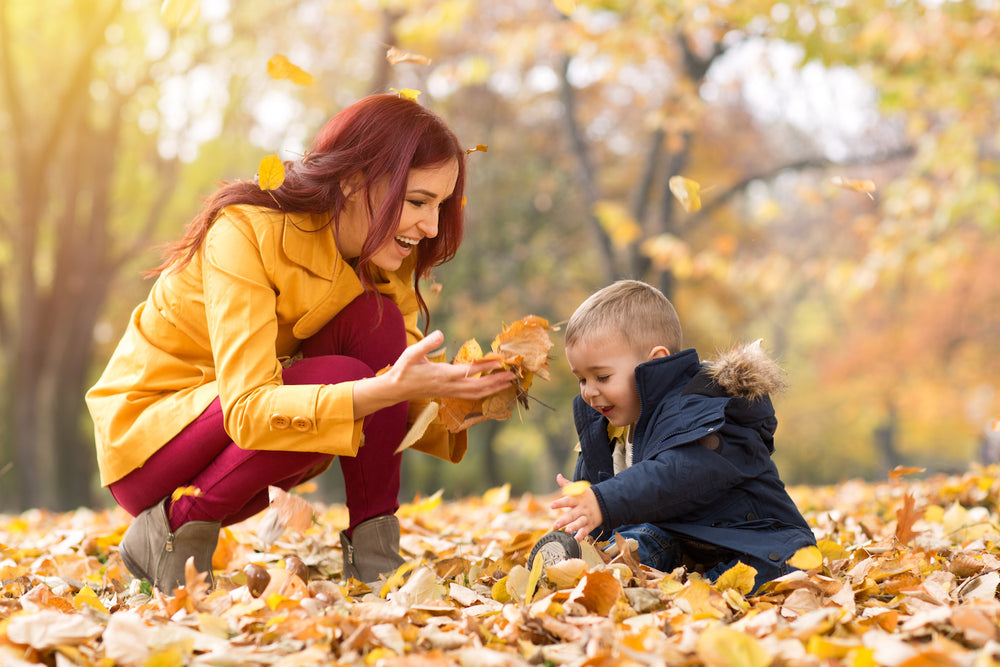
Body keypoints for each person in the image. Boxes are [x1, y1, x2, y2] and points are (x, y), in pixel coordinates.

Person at [86, 94, 516, 592]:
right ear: (353, 182)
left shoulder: (378, 264)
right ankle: (171, 530)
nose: (432, 227)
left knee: (373, 328)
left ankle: (375, 555)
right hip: (153, 445)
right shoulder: (244, 231)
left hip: (245, 450)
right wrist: (378, 390)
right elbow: (248, 406)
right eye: (418, 202)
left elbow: (404, 386)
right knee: (344, 387)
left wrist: (465, 394)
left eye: (440, 206)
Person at [528, 280, 815, 592]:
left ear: (653, 363)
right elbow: (597, 508)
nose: (589, 392)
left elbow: (676, 474)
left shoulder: (701, 408)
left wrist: (603, 501)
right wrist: (580, 526)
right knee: (635, 542)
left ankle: (703, 590)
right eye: (581, 379)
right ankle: (595, 571)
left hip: (750, 536)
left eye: (602, 376)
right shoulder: (606, 427)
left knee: (781, 567)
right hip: (677, 538)